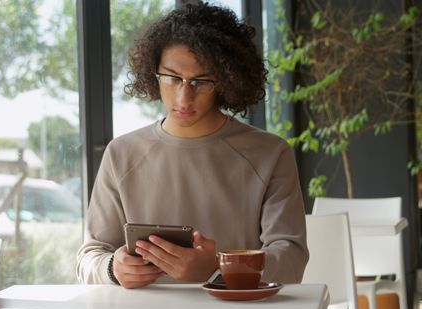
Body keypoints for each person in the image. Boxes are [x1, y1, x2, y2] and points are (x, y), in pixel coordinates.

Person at [76, 2, 309, 289]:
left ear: (225, 80)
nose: (184, 97)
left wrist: (216, 269)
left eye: (201, 81)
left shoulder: (270, 154)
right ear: (154, 74)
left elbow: (291, 259)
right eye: (172, 78)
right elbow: (90, 257)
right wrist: (113, 269)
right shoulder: (121, 154)